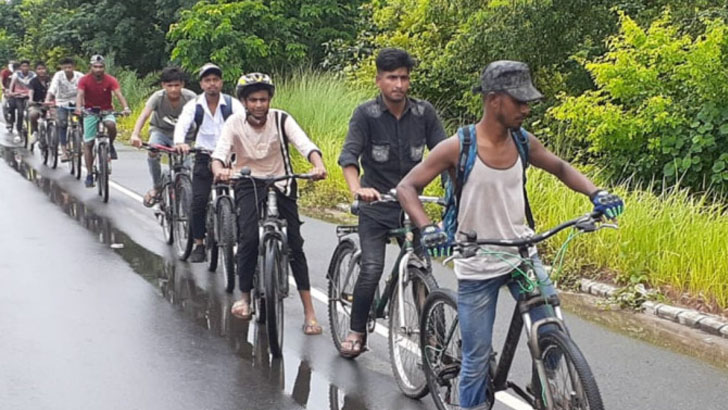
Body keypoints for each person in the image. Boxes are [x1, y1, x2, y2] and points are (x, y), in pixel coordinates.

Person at [396, 60, 625, 409]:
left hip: (521, 254)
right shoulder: (458, 146)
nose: (526, 108)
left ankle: (548, 392)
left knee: (552, 333)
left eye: (527, 100)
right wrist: (428, 228)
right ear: (493, 100)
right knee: (474, 362)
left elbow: (560, 167)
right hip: (477, 263)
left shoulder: (522, 141)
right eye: (519, 101)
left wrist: (596, 194)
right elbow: (407, 187)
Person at [336, 48, 447, 357]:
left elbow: (445, 155)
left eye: (404, 78)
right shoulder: (366, 114)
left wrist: (454, 192)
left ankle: (435, 338)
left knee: (421, 270)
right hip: (376, 205)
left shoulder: (424, 113)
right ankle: (356, 331)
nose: (399, 84)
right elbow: (349, 156)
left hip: (411, 207)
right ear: (379, 80)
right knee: (371, 268)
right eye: (392, 78)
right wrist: (358, 189)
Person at [211, 72, 327, 334]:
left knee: (295, 246)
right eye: (253, 100)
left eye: (263, 99)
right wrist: (220, 169)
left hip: (282, 181)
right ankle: (245, 298)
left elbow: (304, 143)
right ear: (243, 101)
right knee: (249, 238)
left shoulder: (281, 118)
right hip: (248, 182)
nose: (259, 105)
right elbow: (220, 153)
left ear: (270, 100)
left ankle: (310, 313)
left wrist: (317, 164)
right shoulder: (234, 123)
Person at [174, 63, 244, 262]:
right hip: (204, 156)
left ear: (221, 82)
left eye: (215, 80)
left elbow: (244, 123)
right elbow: (182, 125)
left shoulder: (232, 105)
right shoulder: (194, 106)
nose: (212, 84)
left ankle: (239, 243)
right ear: (201, 84)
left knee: (241, 200)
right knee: (198, 201)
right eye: (207, 80)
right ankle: (199, 243)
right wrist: (180, 142)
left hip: (231, 158)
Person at [130, 66, 196, 207]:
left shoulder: (191, 97)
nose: (173, 89)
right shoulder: (158, 97)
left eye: (176, 85)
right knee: (152, 151)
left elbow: (203, 118)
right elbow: (144, 115)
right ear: (163, 85)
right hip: (161, 132)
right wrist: (135, 134)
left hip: (185, 137)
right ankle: (157, 187)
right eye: (169, 85)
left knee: (187, 168)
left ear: (182, 85)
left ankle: (186, 193)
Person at [75, 54, 131, 187]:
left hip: (107, 111)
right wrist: (78, 108)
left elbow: (119, 94)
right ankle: (89, 173)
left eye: (101, 67)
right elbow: (80, 94)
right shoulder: (84, 80)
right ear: (91, 67)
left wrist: (126, 108)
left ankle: (110, 144)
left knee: (111, 124)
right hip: (90, 112)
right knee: (88, 143)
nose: (98, 70)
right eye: (95, 67)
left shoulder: (110, 80)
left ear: (104, 67)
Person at [46, 57, 83, 162]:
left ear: (74, 67)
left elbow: (86, 89)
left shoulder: (80, 76)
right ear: (62, 68)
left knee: (83, 119)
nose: (67, 69)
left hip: (77, 101)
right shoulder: (58, 76)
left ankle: (82, 143)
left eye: (69, 67)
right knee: (62, 123)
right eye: (65, 67)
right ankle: (64, 150)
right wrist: (48, 100)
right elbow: (52, 89)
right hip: (62, 101)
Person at [7, 60, 35, 142]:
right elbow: (11, 86)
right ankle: (19, 131)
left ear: (29, 67)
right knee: (20, 113)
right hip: (18, 96)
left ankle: (34, 131)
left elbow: (35, 85)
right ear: (20, 67)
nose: (25, 68)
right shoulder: (16, 75)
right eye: (23, 66)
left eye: (27, 66)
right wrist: (12, 93)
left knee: (32, 113)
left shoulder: (33, 75)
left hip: (29, 96)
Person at [27, 61, 51, 145]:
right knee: (33, 114)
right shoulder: (33, 81)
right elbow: (31, 91)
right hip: (37, 105)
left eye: (43, 68)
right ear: (36, 71)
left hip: (50, 105)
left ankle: (55, 140)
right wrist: (30, 100)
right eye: (39, 69)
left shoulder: (51, 80)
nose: (41, 71)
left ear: (46, 69)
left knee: (59, 120)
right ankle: (35, 132)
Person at [1, 60, 18, 131]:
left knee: (13, 108)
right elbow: (1, 80)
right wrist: (3, 87)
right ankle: (8, 123)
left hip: (15, 93)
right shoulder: (4, 72)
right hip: (6, 91)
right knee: (4, 106)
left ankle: (14, 122)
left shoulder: (18, 73)